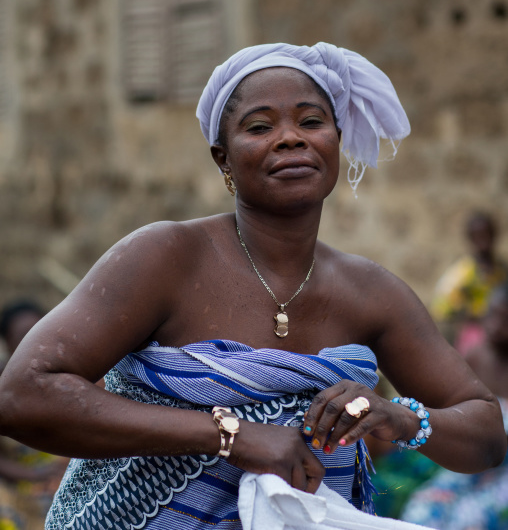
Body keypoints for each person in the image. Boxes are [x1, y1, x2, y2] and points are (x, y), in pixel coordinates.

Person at [0, 42, 504, 530]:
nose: (290, 138)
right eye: (260, 127)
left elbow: (485, 432)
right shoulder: (165, 258)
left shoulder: (373, 294)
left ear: (336, 139)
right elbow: (23, 394)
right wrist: (231, 436)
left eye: (311, 121)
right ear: (223, 159)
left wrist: (398, 417)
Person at [401, 281, 508, 529]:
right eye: (492, 316)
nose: (495, 326)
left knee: (474, 517)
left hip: (502, 470)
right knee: (424, 509)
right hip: (474, 459)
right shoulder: (476, 356)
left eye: (505, 320)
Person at [0, 301, 68, 530]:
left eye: (38, 330)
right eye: (22, 335)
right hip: (19, 485)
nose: (32, 340)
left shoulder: (72, 375)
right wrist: (35, 475)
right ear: (7, 343)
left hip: (64, 476)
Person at [432, 211, 508, 354]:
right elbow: (441, 308)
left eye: (487, 234)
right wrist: (473, 316)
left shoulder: (502, 270)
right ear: (470, 238)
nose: (483, 239)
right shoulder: (463, 272)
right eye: (478, 235)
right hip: (475, 334)